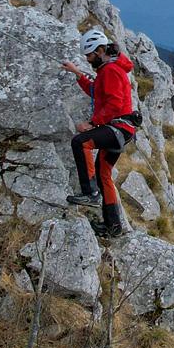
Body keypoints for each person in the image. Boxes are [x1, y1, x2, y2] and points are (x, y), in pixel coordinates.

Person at [61, 28, 135, 239]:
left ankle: (90, 193)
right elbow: (97, 91)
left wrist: (92, 123)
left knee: (80, 142)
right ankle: (114, 226)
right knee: (104, 175)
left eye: (90, 55)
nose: (88, 59)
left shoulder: (110, 71)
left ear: (100, 50)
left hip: (116, 128)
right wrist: (77, 73)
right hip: (121, 129)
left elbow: (113, 104)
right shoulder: (107, 70)